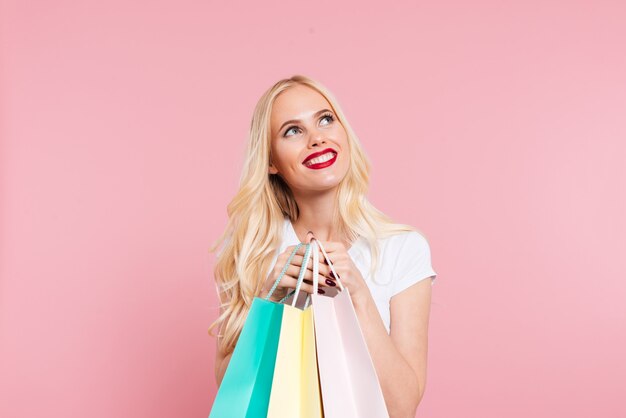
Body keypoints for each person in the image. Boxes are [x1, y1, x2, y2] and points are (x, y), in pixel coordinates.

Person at [208, 74, 437, 417]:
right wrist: (269, 300)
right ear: (270, 161)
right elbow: (232, 394)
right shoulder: (252, 249)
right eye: (292, 131)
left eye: (325, 119)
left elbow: (402, 408)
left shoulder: (402, 249)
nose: (316, 138)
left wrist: (357, 293)